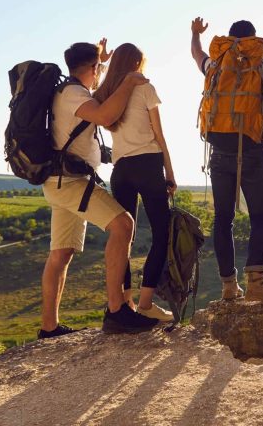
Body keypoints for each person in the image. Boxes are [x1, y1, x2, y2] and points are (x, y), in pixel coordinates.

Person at [38, 39, 159, 338]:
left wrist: (102, 63)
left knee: (60, 254)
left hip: (58, 181)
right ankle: (117, 311)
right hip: (71, 182)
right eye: (98, 68)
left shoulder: (67, 91)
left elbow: (99, 96)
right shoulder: (74, 94)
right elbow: (106, 115)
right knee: (123, 225)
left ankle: (48, 328)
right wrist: (130, 80)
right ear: (91, 68)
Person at [190, 18, 263, 302]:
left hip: (219, 151)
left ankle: (229, 286)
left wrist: (195, 34)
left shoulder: (216, 65)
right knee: (260, 218)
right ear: (253, 40)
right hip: (252, 150)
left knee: (223, 219)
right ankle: (256, 283)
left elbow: (197, 55)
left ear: (229, 39)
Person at [93, 43, 176, 322]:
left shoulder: (107, 95)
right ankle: (146, 303)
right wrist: (170, 173)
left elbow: (94, 88)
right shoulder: (145, 89)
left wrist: (102, 62)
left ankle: (126, 302)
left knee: (123, 237)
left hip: (121, 169)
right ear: (138, 64)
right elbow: (160, 135)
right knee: (161, 234)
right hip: (148, 165)